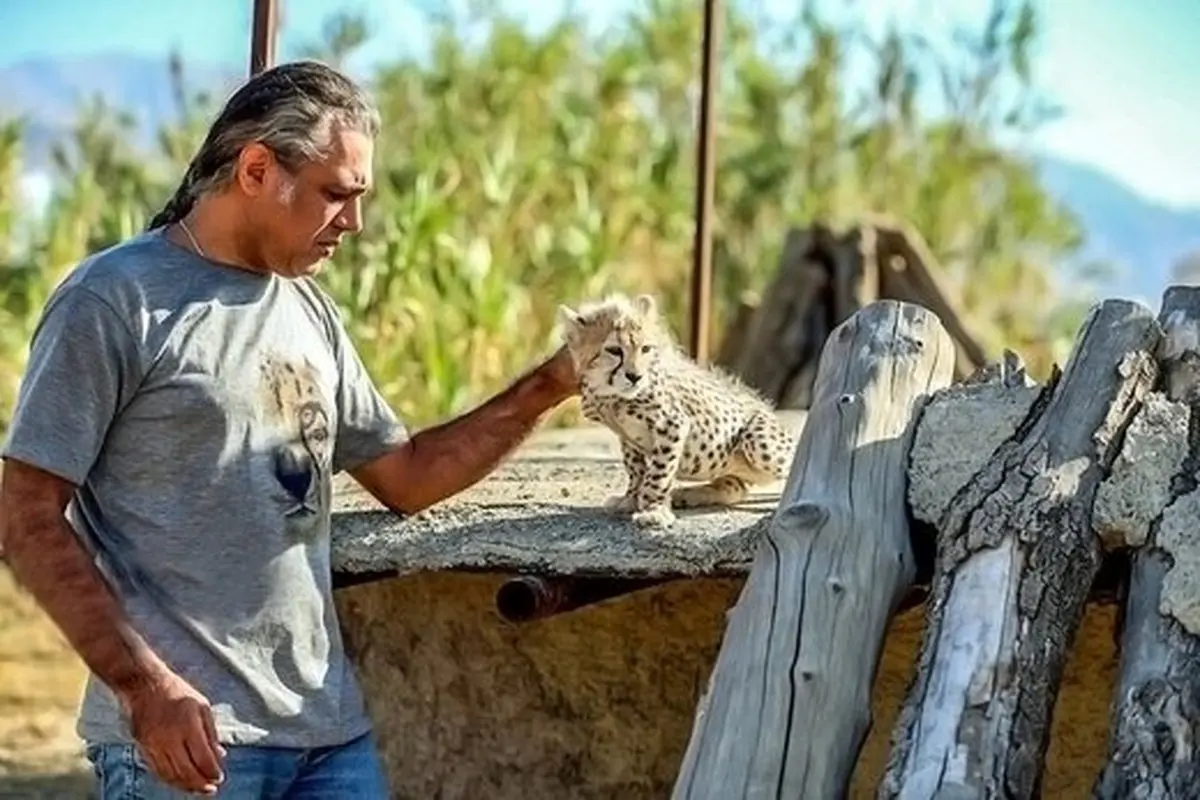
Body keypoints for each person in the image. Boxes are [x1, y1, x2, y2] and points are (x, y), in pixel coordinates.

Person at [0, 60, 578, 798]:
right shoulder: (114, 301)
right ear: (256, 169)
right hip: (192, 743)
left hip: (329, 737)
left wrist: (547, 387)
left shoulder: (308, 311)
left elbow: (406, 475)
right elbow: (25, 517)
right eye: (337, 194)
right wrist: (144, 690)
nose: (355, 223)